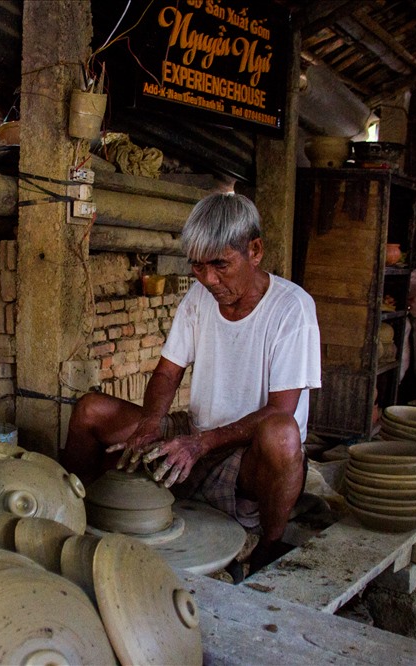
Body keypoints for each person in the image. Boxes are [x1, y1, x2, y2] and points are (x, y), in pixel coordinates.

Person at [61, 191, 321, 572]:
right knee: (90, 409)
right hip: (197, 431)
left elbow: (280, 409)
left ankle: (269, 544)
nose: (209, 279)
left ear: (256, 250)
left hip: (250, 452)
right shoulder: (199, 298)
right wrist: (151, 423)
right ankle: (73, 510)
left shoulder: (291, 309)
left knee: (282, 433)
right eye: (198, 266)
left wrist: (199, 445)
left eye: (221, 265)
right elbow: (168, 371)